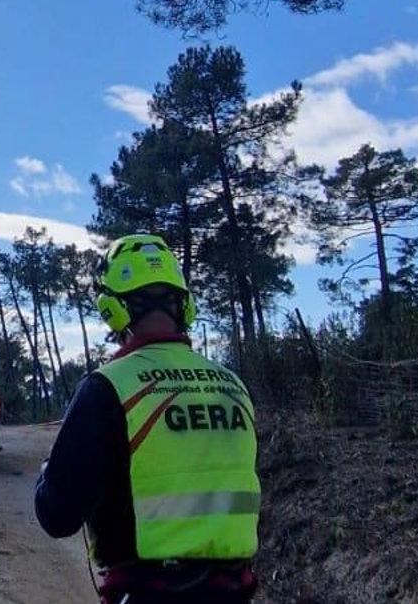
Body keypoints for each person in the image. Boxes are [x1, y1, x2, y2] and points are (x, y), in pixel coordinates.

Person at [35, 234, 259, 604]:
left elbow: (57, 516)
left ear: (112, 309)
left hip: (147, 592)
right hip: (234, 592)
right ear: (184, 306)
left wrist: (49, 473)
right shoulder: (233, 386)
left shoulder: (108, 387)